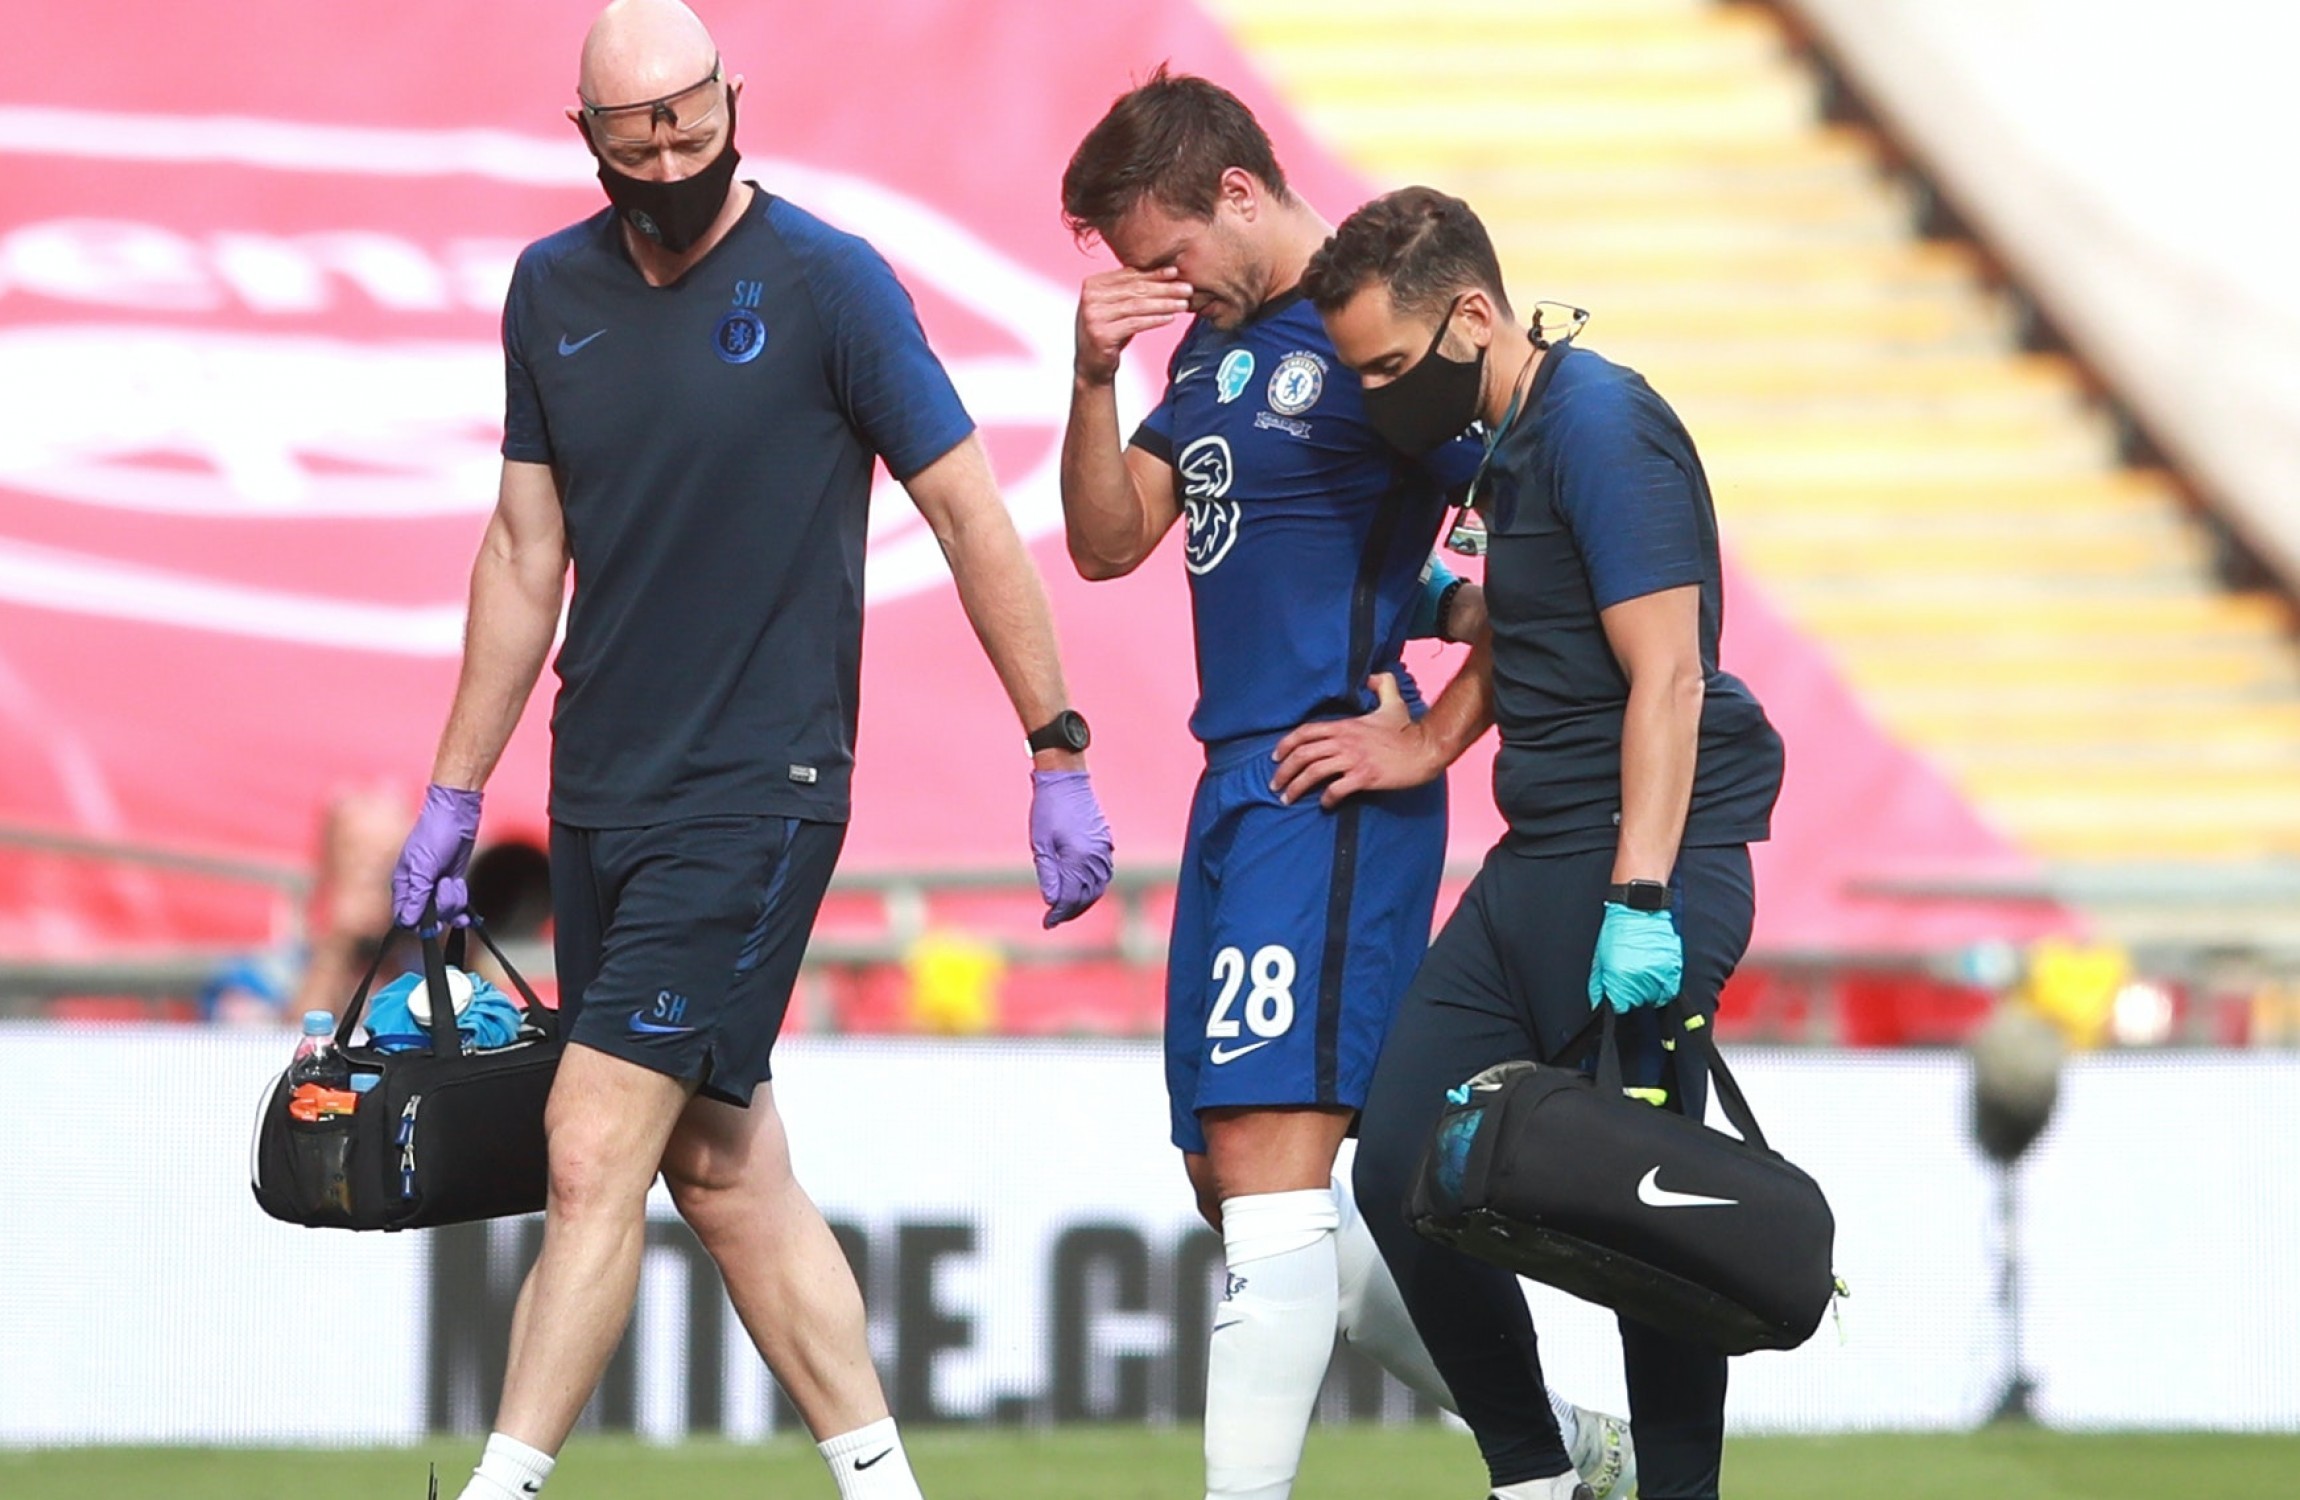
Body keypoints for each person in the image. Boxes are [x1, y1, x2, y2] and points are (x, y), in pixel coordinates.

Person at [387, 5, 1113, 1498]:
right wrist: (457, 786)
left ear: (733, 100)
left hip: (758, 794)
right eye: (636, 130)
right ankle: (885, 1483)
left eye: (691, 117)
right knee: (724, 1172)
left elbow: (973, 513)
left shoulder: (832, 285)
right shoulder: (550, 293)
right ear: (586, 136)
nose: (669, 151)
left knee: (593, 1145)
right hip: (600, 795)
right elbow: (526, 552)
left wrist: (1055, 747)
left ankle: (500, 1488)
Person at [1057, 72, 1631, 1500]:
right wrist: (1089, 376)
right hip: (1232, 786)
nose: (1161, 289)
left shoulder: (1373, 337)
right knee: (1246, 1181)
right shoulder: (1209, 353)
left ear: (1237, 194)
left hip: (1326, 785)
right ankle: (1556, 1456)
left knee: (1267, 1165)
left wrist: (1431, 734)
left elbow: (1539, 558)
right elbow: (1108, 541)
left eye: (1167, 257)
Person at [1287, 186, 1787, 1500]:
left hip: (1643, 862)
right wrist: (1431, 742)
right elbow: (1532, 634)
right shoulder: (1509, 436)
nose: (1381, 395)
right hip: (1538, 858)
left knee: (1651, 1211)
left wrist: (1640, 896)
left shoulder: (1605, 428)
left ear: (1471, 317)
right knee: (1402, 1161)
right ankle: (1539, 1475)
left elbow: (1668, 678)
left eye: (1392, 367)